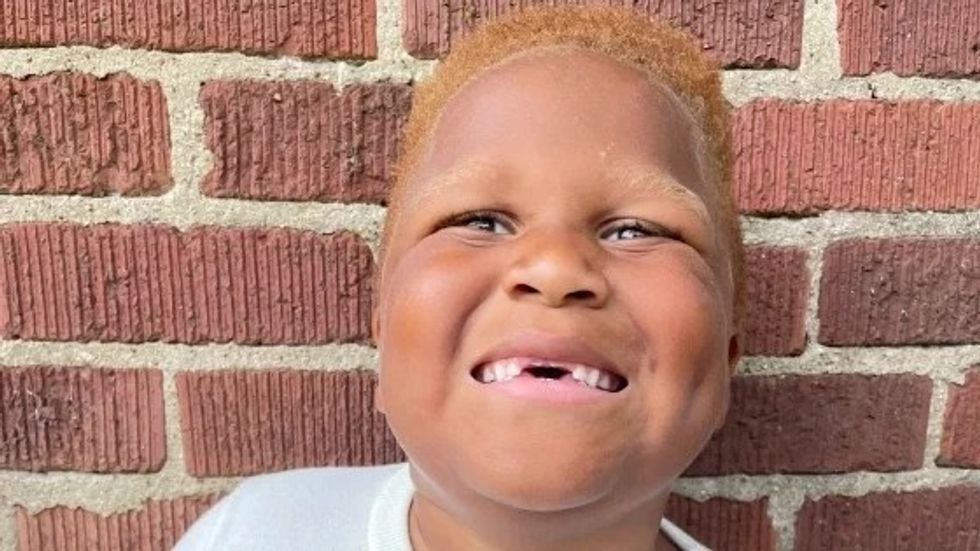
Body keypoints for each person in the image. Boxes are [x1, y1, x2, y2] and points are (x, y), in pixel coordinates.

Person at [175, 5, 744, 550]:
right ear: (382, 334)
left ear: (726, 359)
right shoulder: (249, 532)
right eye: (480, 222)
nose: (554, 269)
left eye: (636, 230)